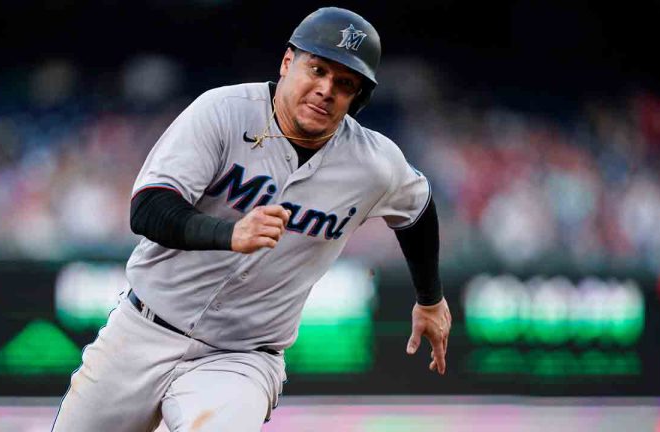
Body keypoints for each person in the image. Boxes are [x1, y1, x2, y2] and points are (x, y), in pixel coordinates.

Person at [52, 6, 451, 432]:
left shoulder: (374, 163)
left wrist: (430, 298)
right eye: (316, 69)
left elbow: (418, 209)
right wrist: (229, 233)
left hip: (241, 358)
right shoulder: (223, 111)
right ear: (286, 63)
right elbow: (148, 207)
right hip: (144, 330)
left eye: (344, 83)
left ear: (358, 97)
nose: (325, 89)